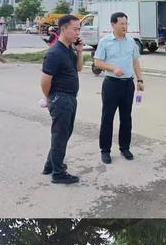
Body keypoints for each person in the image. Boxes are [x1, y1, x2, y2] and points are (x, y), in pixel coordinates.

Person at [94, 12, 145, 164]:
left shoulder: (131, 42)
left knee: (126, 118)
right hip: (111, 84)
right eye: (121, 24)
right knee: (107, 118)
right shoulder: (105, 41)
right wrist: (112, 68)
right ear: (113, 24)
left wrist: (140, 79)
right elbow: (97, 62)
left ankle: (124, 147)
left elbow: (135, 62)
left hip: (127, 85)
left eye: (126, 24)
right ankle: (105, 150)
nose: (125, 26)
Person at [41, 14, 84, 184]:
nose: (77, 33)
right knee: (60, 136)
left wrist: (79, 51)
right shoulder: (54, 52)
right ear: (63, 29)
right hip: (61, 99)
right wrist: (50, 98)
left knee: (63, 134)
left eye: (78, 29)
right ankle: (58, 173)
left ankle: (50, 165)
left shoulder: (68, 49)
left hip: (70, 98)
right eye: (75, 29)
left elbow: (79, 68)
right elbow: (45, 81)